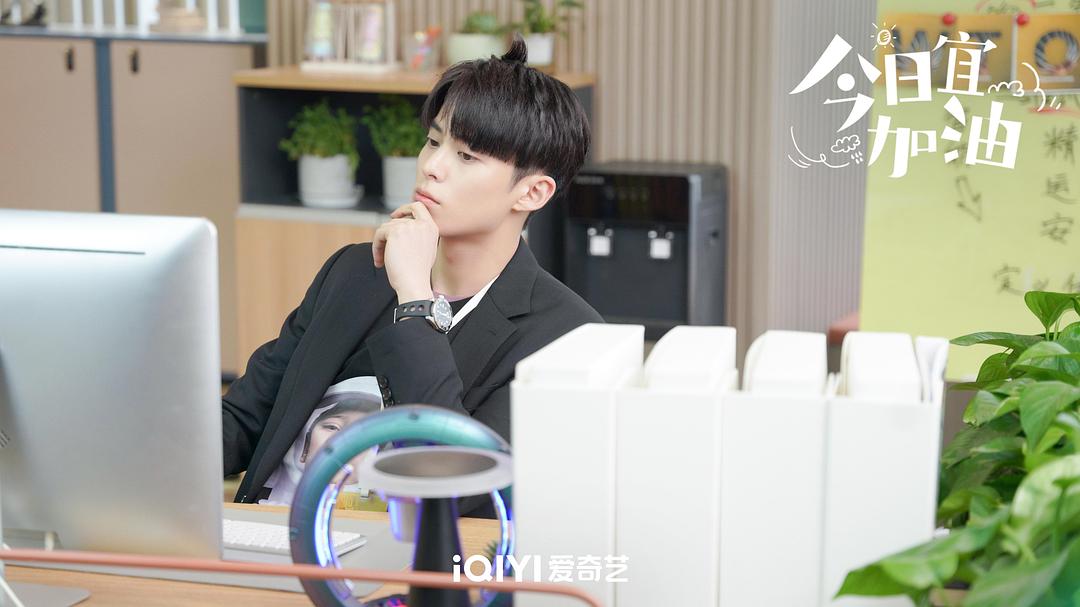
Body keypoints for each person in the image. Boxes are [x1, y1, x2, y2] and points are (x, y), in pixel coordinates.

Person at [222, 34, 602, 518]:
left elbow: (457, 480)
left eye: (467, 156)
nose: (431, 167)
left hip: (401, 552)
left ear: (532, 193)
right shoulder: (355, 270)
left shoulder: (565, 336)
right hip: (268, 531)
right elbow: (245, 416)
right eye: (434, 141)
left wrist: (414, 299)